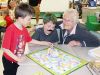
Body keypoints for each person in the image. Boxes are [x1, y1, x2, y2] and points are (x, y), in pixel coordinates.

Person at [2, 3, 52, 75]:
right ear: (20, 18)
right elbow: (5, 48)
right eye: (29, 19)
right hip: (9, 60)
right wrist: (17, 59)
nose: (30, 21)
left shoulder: (24, 29)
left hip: (18, 59)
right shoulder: (10, 29)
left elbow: (30, 40)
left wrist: (44, 43)